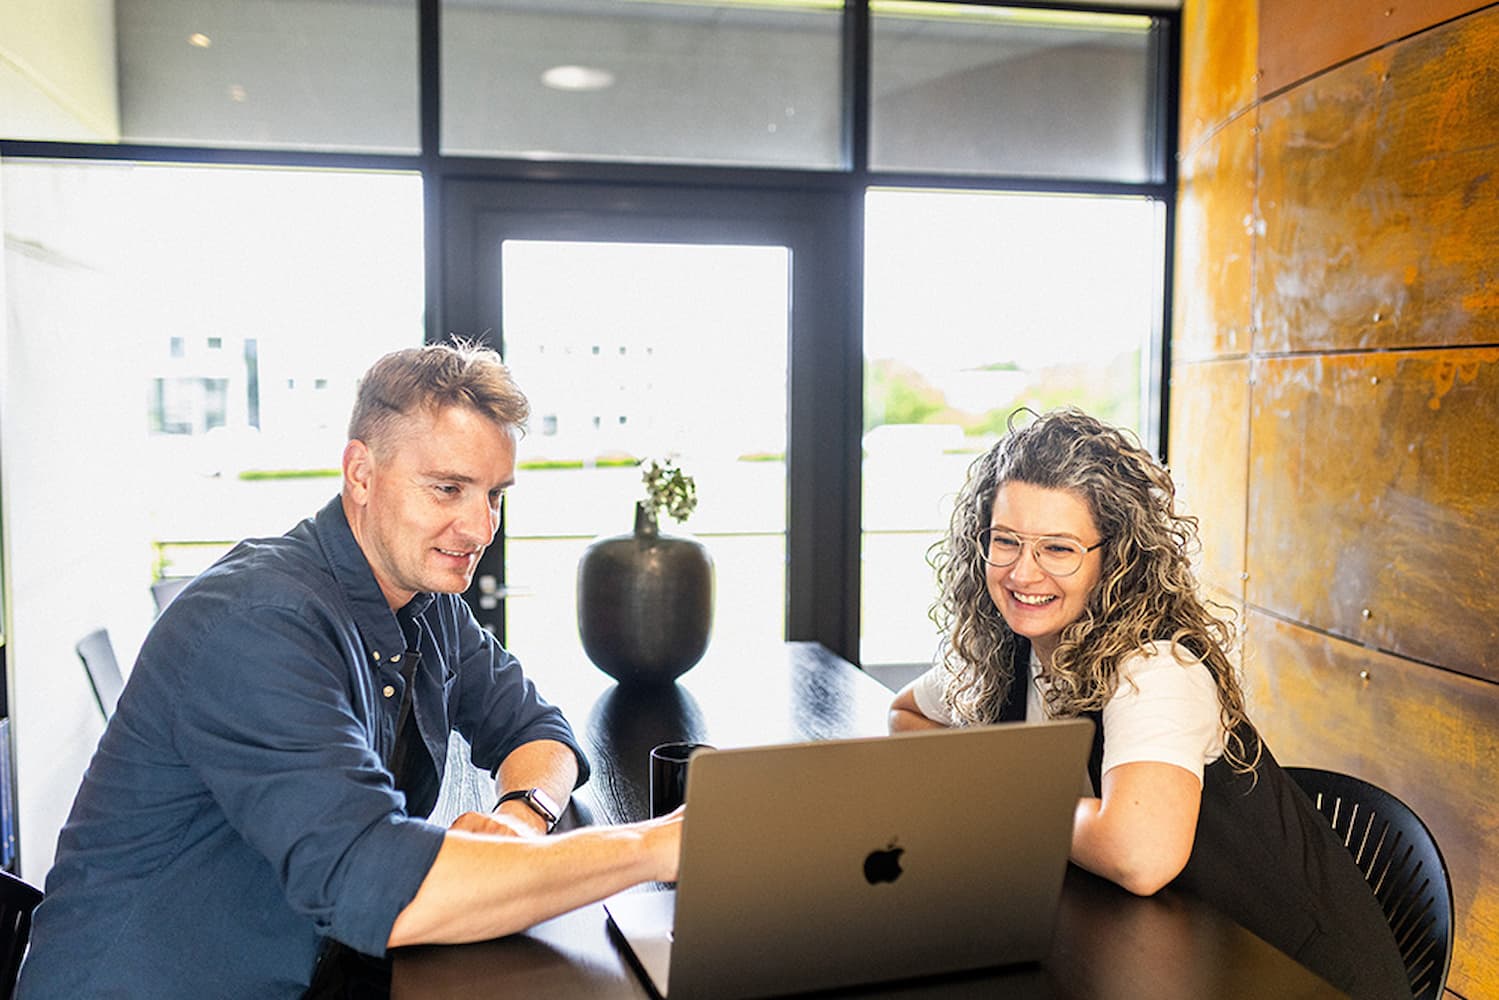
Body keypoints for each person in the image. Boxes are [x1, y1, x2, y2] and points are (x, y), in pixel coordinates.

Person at [17, 342, 682, 998]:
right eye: (447, 488)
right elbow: (382, 887)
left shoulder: (425, 600)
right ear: (360, 474)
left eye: (494, 495)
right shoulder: (256, 622)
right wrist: (652, 848)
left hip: (320, 971)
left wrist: (521, 815)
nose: (481, 528)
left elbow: (535, 727)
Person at [889, 408, 1411, 1000]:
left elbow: (1140, 856)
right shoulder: (1008, 646)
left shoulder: (1158, 666)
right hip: (1160, 962)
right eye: (1005, 541)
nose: (1021, 572)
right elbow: (908, 715)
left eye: (1058, 549)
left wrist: (1003, 792)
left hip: (1294, 976)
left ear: (1115, 558)